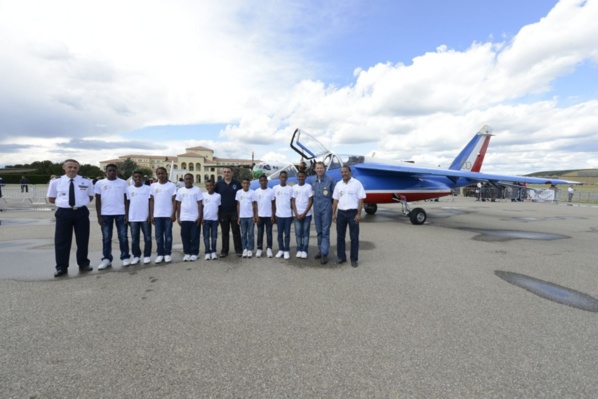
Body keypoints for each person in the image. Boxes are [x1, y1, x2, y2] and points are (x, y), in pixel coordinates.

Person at [47, 159, 95, 277]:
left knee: (83, 240)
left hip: (81, 213)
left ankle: (83, 263)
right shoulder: (56, 181)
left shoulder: (86, 181)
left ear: (78, 169)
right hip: (64, 213)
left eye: (75, 167)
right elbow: (51, 198)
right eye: (70, 167)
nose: (72, 169)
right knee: (62, 241)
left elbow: (90, 196)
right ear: (64, 168)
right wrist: (65, 204)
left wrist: (79, 203)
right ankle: (61, 267)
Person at [95, 163, 131, 270]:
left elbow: (126, 199)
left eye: (114, 171)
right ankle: (106, 259)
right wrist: (99, 216)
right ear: (106, 171)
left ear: (117, 171)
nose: (112, 172)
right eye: (109, 170)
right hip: (105, 214)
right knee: (106, 238)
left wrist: (126, 214)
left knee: (123, 237)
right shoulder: (99, 183)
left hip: (121, 213)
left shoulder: (123, 183)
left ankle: (125, 257)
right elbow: (98, 200)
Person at [332, 166, 366, 267]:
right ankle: (341, 257)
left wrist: (359, 214)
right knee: (340, 237)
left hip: (353, 213)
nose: (344, 174)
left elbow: (361, 199)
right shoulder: (338, 185)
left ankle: (354, 259)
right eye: (342, 172)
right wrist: (333, 213)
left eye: (346, 172)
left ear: (350, 172)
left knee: (354, 237)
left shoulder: (356, 183)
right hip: (341, 213)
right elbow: (335, 200)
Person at [150, 167, 177, 264]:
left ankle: (167, 254)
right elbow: (152, 201)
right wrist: (152, 214)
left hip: (168, 215)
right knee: (158, 236)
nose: (161, 175)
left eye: (163, 173)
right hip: (157, 215)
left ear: (166, 173)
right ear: (156, 175)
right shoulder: (153, 186)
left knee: (168, 236)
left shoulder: (171, 186)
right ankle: (160, 254)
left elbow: (174, 200)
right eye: (159, 174)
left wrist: (173, 214)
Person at [310, 161, 336, 264]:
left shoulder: (330, 180)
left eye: (321, 168)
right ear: (315, 169)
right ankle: (321, 250)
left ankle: (324, 254)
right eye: (317, 168)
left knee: (325, 231)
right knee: (319, 231)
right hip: (316, 209)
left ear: (324, 169)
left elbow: (335, 197)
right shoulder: (312, 181)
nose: (319, 170)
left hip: (326, 209)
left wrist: (334, 211)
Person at [214, 167, 242, 257]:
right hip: (223, 212)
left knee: (236, 232)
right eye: (225, 172)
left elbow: (241, 197)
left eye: (228, 172)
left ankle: (238, 250)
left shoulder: (237, 184)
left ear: (232, 173)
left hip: (234, 212)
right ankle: (224, 251)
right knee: (224, 232)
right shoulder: (218, 184)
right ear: (223, 173)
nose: (226, 174)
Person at [176, 173, 203, 262]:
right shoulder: (180, 190)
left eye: (190, 179)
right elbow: (178, 204)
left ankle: (194, 253)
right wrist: (178, 216)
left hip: (194, 217)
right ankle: (187, 253)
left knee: (195, 236)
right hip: (184, 217)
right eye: (186, 179)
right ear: (184, 180)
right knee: (185, 236)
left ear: (193, 180)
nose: (188, 181)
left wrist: (199, 216)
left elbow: (200, 204)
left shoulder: (197, 190)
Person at [128, 170, 152, 265]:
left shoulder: (147, 189)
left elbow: (150, 202)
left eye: (140, 177)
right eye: (136, 177)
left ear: (143, 178)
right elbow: (127, 203)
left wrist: (150, 215)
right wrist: (127, 215)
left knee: (148, 238)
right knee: (134, 238)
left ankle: (147, 256)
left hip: (145, 217)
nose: (138, 178)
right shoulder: (129, 189)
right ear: (133, 178)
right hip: (133, 217)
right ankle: (136, 256)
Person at [291, 170, 313, 259]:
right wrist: (296, 213)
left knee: (305, 233)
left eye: (302, 176)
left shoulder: (308, 187)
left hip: (306, 215)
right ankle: (299, 249)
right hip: (296, 214)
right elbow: (293, 201)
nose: (301, 178)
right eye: (299, 176)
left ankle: (304, 250)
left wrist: (304, 213)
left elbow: (311, 200)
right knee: (298, 233)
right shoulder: (294, 187)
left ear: (305, 177)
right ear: (297, 177)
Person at [273, 170, 293, 259]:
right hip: (279, 215)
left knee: (287, 234)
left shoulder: (290, 189)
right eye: (282, 177)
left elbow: (292, 202)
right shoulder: (275, 188)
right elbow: (273, 202)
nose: (283, 179)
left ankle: (286, 250)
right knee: (280, 234)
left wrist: (292, 213)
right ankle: (281, 249)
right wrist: (273, 214)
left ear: (287, 178)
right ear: (279, 178)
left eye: (285, 177)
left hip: (288, 215)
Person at [236, 178, 258, 258]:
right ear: (242, 184)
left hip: (250, 217)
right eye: (244, 183)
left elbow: (254, 205)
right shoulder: (239, 192)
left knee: (251, 234)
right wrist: (238, 217)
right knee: (243, 234)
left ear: (249, 184)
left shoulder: (252, 193)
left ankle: (250, 249)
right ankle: (244, 248)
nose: (246, 185)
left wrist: (255, 216)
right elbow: (238, 205)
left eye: (247, 183)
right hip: (242, 217)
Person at [255, 174, 275, 258]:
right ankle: (259, 248)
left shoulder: (271, 191)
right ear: (259, 182)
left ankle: (269, 248)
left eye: (264, 180)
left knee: (269, 233)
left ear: (267, 181)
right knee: (260, 233)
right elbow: (255, 205)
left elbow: (273, 204)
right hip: (260, 216)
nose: (263, 182)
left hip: (269, 216)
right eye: (261, 181)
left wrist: (273, 215)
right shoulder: (256, 191)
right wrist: (256, 215)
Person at [202, 179, 221, 260]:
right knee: (206, 237)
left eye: (211, 185)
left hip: (214, 220)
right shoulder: (203, 195)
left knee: (214, 237)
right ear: (206, 187)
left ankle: (213, 251)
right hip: (205, 219)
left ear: (214, 186)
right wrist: (201, 217)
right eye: (208, 185)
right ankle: (207, 252)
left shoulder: (218, 196)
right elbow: (201, 207)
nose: (209, 187)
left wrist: (218, 219)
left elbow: (219, 208)